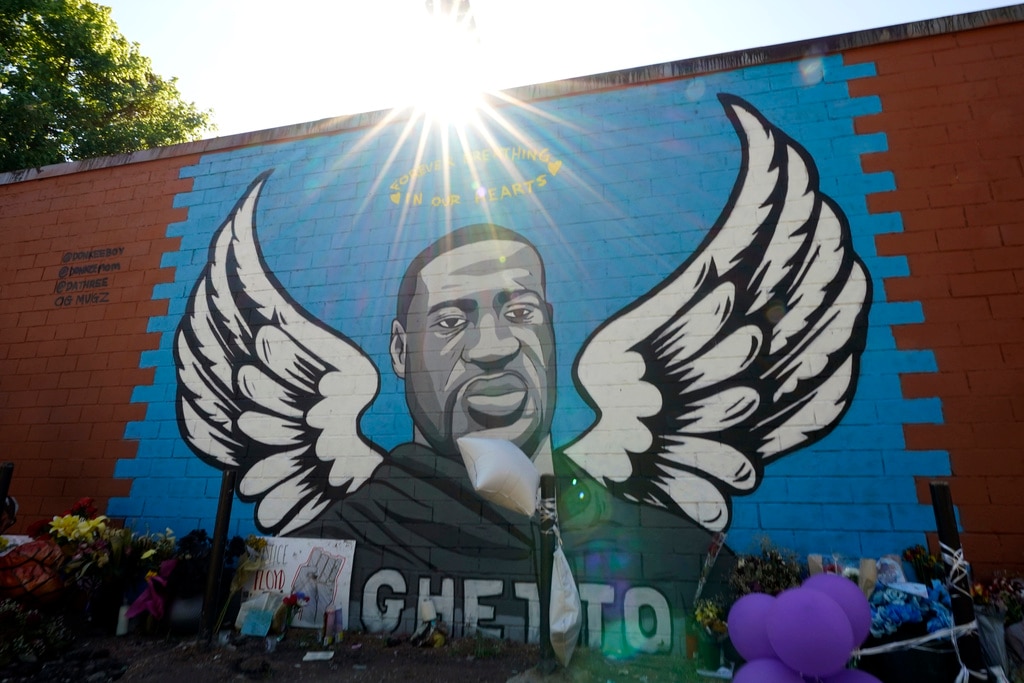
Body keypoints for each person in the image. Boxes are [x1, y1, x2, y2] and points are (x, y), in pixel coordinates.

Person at [299, 224, 726, 644]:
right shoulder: (342, 536)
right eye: (450, 321)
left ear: (550, 327)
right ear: (400, 350)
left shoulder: (681, 554)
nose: (494, 347)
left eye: (521, 313)